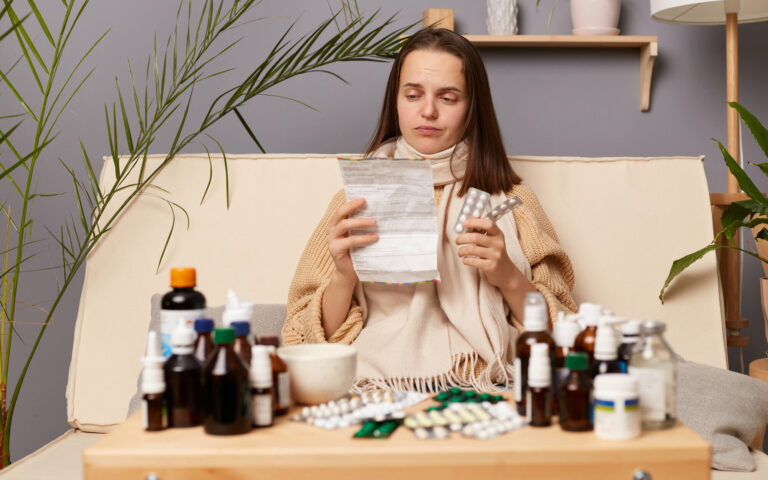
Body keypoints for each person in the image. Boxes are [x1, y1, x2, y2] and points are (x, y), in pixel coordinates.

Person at [282, 28, 576, 391]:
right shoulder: (355, 199)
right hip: (375, 386)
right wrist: (344, 276)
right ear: (396, 101)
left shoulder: (512, 198)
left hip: (481, 383)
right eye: (413, 94)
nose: (428, 111)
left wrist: (507, 275)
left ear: (472, 109)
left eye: (448, 98)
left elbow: (565, 331)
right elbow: (304, 338)